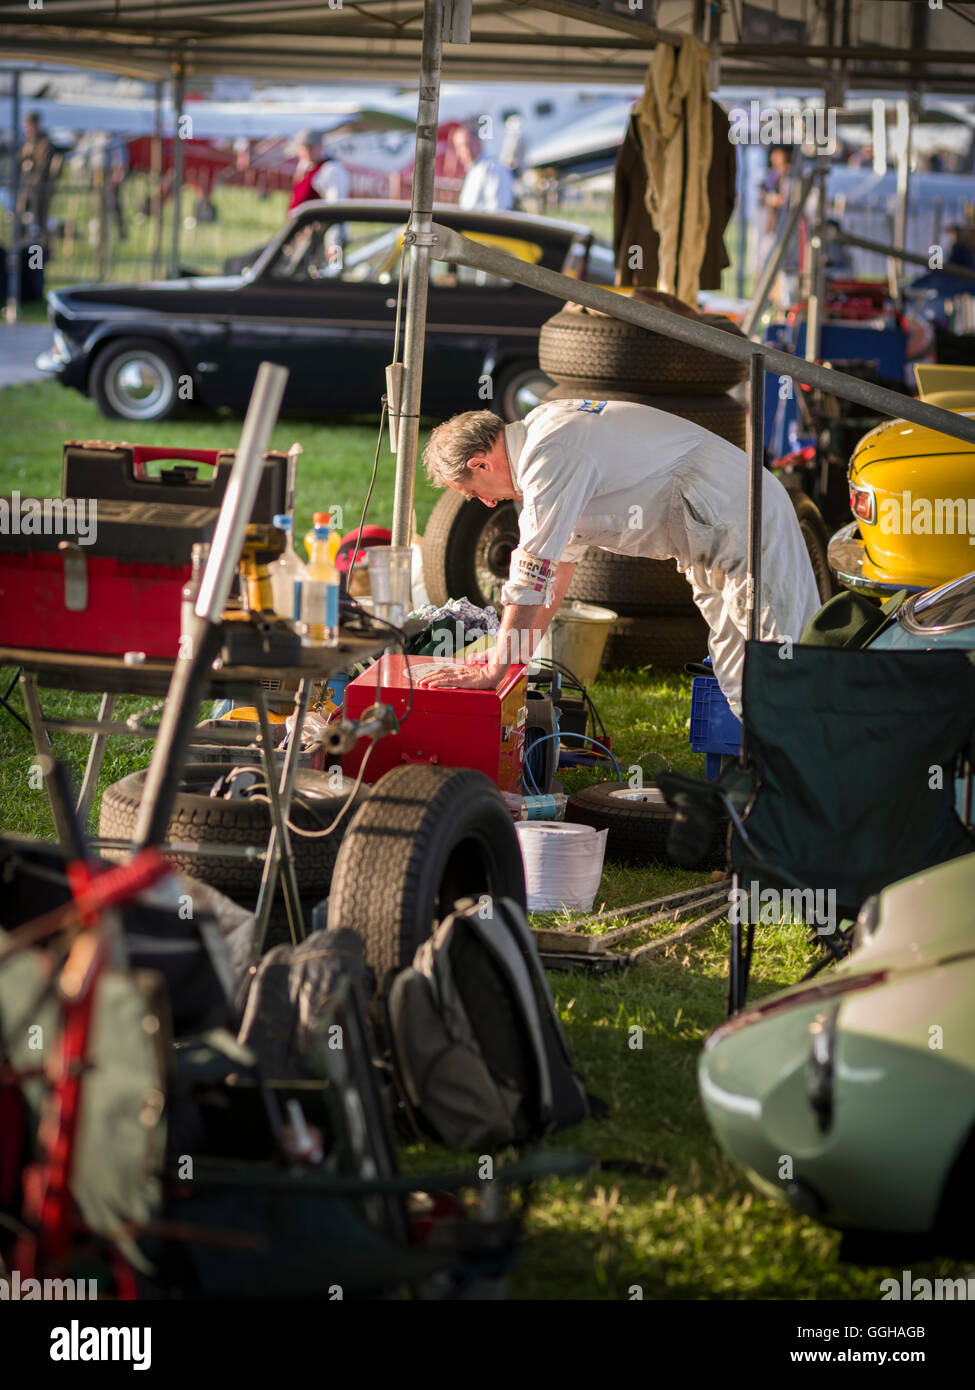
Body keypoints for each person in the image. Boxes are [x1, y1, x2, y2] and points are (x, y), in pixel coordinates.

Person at [418, 401, 820, 716]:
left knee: (779, 662)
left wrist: (495, 669)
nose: (487, 502)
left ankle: (818, 786)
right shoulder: (544, 448)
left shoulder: (549, 453)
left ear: (480, 463)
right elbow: (557, 569)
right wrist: (516, 651)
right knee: (738, 674)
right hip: (713, 530)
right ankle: (767, 789)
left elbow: (530, 574)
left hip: (742, 517)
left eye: (474, 492)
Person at [17, 110, 62, 246]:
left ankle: (36, 260)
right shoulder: (27, 143)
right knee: (22, 224)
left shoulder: (45, 144)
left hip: (39, 192)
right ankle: (23, 253)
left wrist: (33, 185)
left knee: (37, 225)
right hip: (25, 190)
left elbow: (44, 168)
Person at [451, 125, 514, 212]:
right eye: (460, 146)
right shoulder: (475, 169)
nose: (466, 151)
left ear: (480, 143)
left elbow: (497, 209)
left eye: (469, 144)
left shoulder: (492, 168)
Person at [288, 134, 351, 213]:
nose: (306, 152)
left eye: (310, 148)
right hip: (302, 222)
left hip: (317, 223)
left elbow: (335, 205)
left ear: (320, 146)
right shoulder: (305, 167)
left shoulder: (332, 169)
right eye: (304, 148)